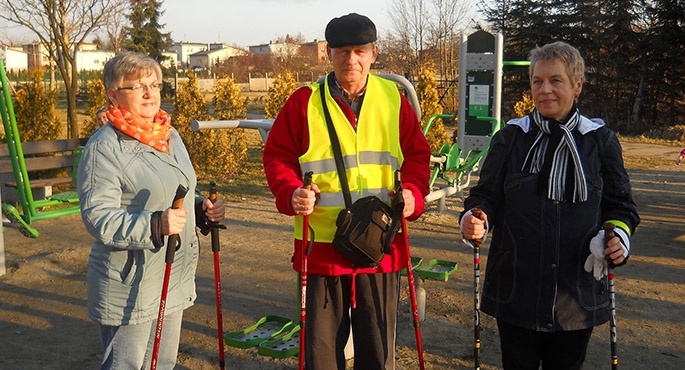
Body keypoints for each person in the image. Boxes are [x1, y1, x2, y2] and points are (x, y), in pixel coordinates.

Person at [263, 13, 431, 370]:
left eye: (359, 51)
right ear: (328, 53)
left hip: (381, 246)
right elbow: (277, 156)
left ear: (374, 53)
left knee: (377, 353)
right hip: (322, 248)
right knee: (321, 357)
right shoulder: (302, 102)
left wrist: (414, 193)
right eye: (342, 51)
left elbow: (418, 154)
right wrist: (290, 191)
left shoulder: (393, 98)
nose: (351, 60)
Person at [459, 41, 640, 370]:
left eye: (555, 80)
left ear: (577, 85)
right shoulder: (511, 137)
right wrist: (474, 217)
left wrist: (618, 236)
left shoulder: (600, 140)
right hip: (517, 290)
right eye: (536, 81)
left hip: (576, 295)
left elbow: (622, 207)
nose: (544, 90)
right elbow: (485, 196)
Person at [77, 50, 226, 370]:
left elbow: (177, 192)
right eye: (138, 86)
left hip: (171, 275)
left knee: (164, 364)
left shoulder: (169, 135)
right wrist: (156, 223)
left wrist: (202, 209)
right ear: (113, 95)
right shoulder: (105, 146)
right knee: (127, 365)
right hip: (130, 282)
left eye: (155, 85)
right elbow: (98, 217)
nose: (149, 93)